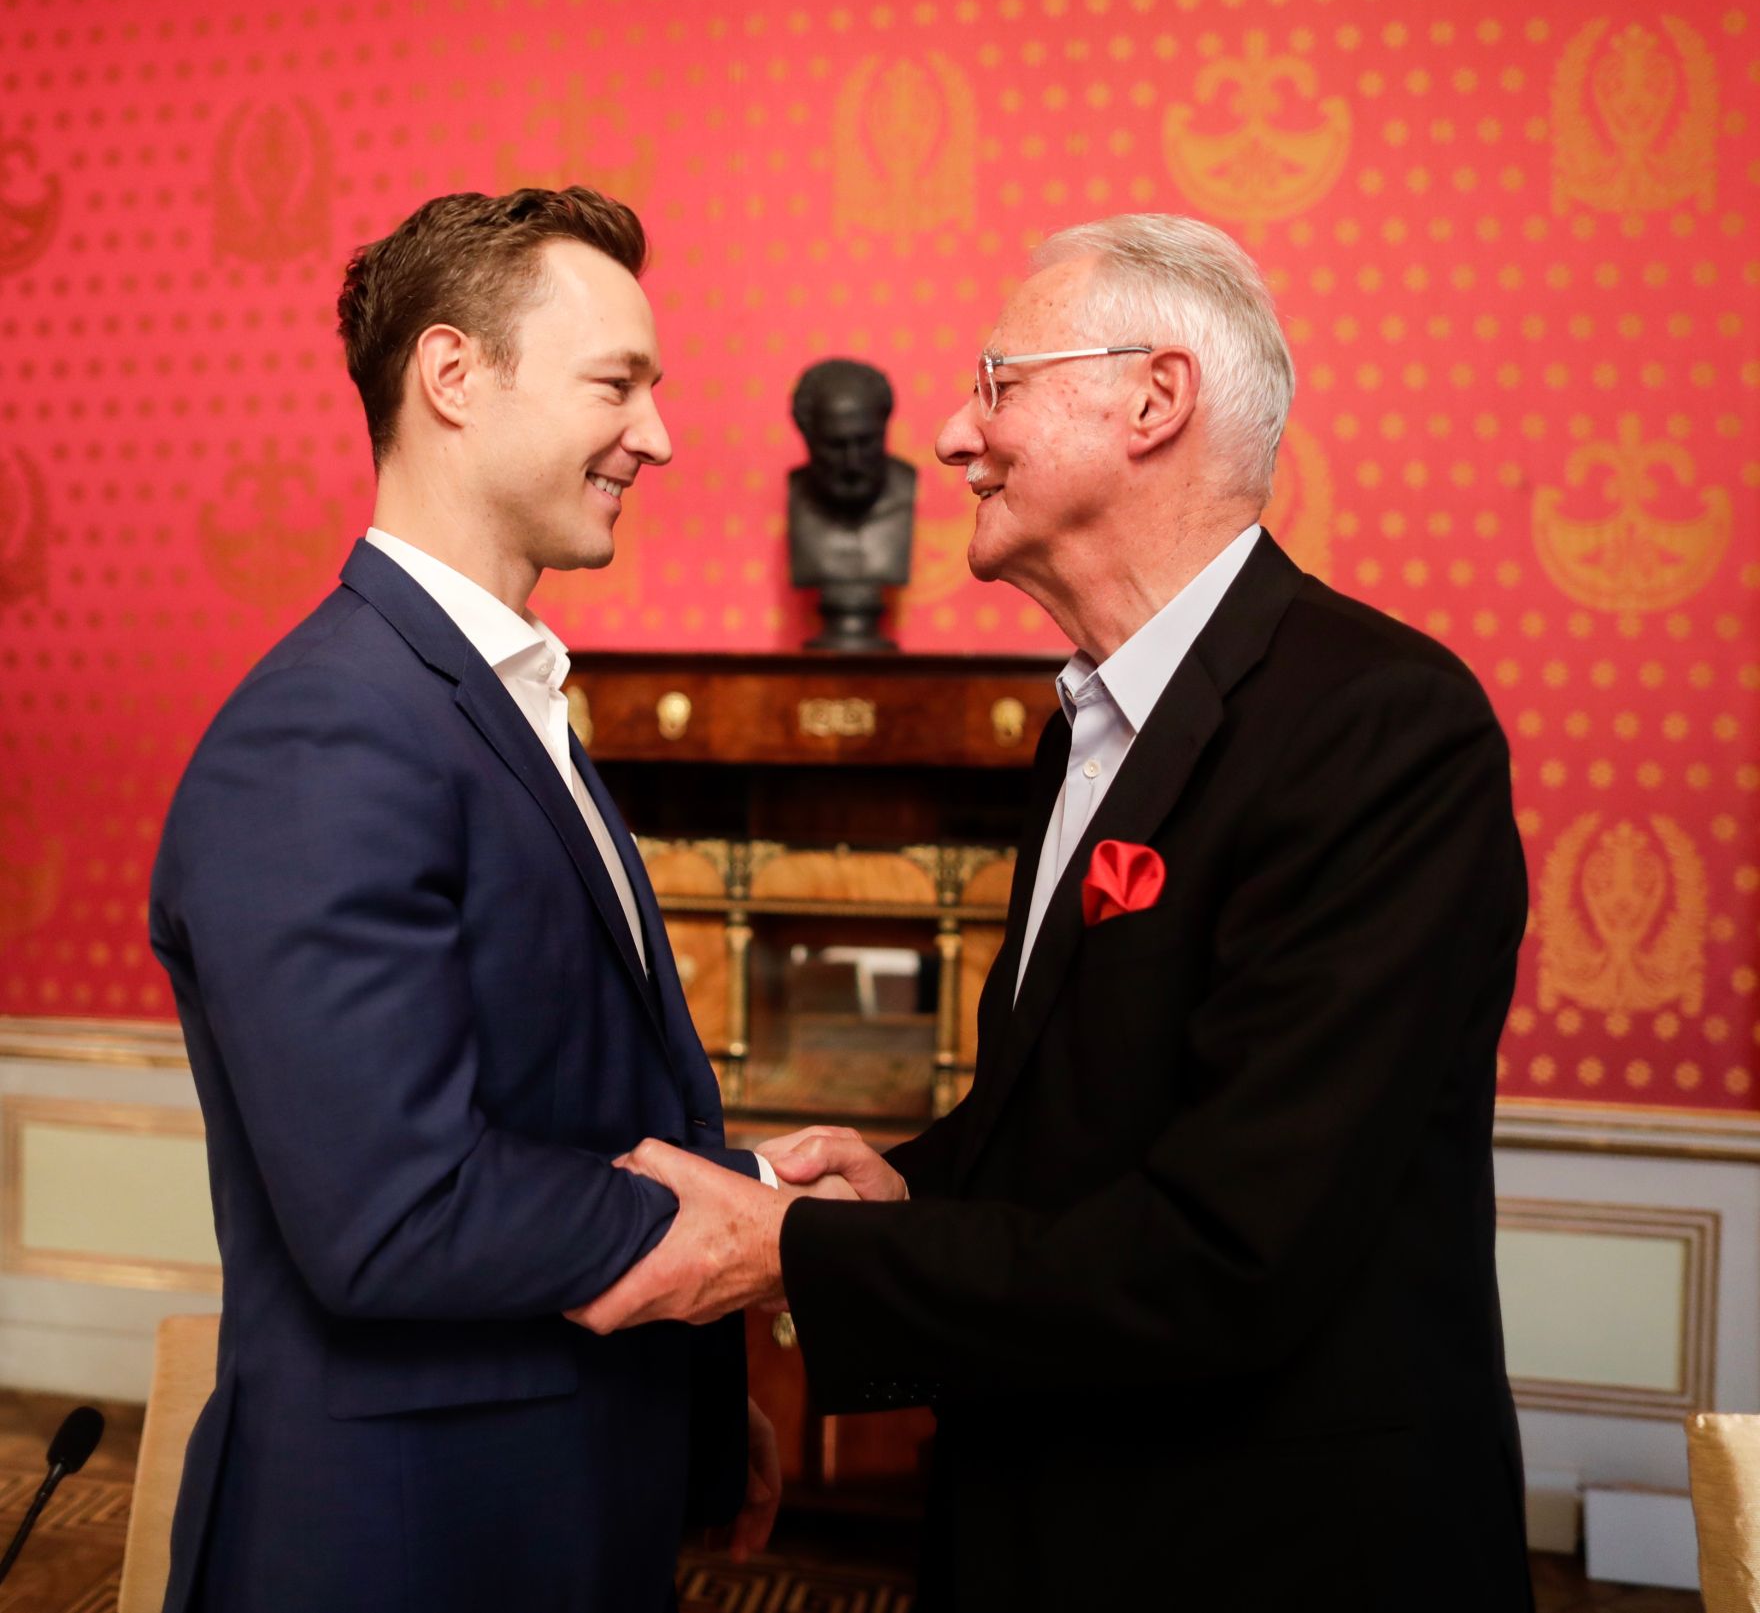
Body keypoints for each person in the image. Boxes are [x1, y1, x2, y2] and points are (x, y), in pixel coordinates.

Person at [578, 214, 1535, 1610]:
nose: (957, 435)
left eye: (998, 381)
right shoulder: (1083, 728)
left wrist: (794, 1248)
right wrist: (914, 1180)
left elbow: (1232, 1247)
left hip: (1264, 1549)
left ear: (1155, 398)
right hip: (1042, 1514)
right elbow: (1080, 1116)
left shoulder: (1383, 728)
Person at [148, 186, 824, 1613]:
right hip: (404, 1543)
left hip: (560, 1495)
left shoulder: (498, 706)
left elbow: (565, 1108)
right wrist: (747, 1222)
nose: (658, 435)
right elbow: (395, 1207)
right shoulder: (324, 732)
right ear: (453, 376)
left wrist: (706, 1403)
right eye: (617, 385)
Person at [787, 357, 916, 649]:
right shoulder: (797, 494)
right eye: (835, 445)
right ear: (808, 440)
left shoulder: (905, 486)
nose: (852, 462)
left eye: (867, 441)